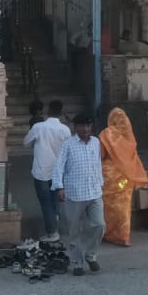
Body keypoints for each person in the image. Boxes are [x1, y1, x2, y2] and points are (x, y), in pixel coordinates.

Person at [52, 113, 105, 276]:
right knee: (75, 230)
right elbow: (58, 166)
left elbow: (97, 164)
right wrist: (59, 187)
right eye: (82, 126)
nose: (86, 129)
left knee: (99, 225)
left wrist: (100, 182)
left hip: (94, 192)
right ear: (76, 128)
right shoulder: (68, 145)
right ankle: (76, 262)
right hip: (75, 194)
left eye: (89, 126)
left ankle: (90, 255)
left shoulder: (96, 142)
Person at [99, 107, 148, 246]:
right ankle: (123, 236)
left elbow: (101, 154)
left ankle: (109, 234)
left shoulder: (106, 134)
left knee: (109, 207)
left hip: (109, 178)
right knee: (124, 207)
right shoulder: (129, 137)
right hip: (125, 178)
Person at [23, 99, 69, 243]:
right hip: (58, 172)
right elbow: (68, 151)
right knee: (55, 201)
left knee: (46, 203)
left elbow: (25, 142)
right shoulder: (65, 130)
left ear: (48, 110)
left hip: (41, 172)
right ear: (61, 112)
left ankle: (52, 232)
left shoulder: (38, 127)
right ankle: (54, 221)